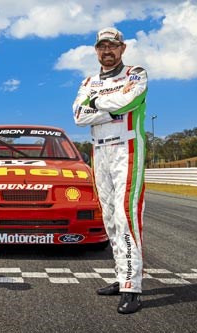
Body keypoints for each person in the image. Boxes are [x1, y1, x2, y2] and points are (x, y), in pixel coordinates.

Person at [72, 27, 147, 314]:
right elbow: (79, 116)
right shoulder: (88, 81)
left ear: (122, 48)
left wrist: (96, 104)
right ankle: (121, 276)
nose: (107, 51)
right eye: (102, 47)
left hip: (126, 149)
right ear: (96, 50)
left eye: (112, 46)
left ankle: (132, 287)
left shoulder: (136, 74)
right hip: (99, 151)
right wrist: (110, 109)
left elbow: (128, 101)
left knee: (126, 215)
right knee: (109, 218)